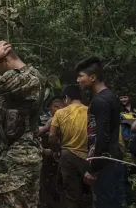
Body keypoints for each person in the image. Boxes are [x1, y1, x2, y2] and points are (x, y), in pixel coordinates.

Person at [0, 40, 46, 207]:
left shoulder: (26, 79)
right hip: (12, 154)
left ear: (5, 60)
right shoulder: (22, 80)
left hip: (20, 157)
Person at [75, 56, 125, 208]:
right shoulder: (110, 97)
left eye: (80, 76)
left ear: (93, 77)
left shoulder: (100, 101)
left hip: (105, 164)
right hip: (112, 160)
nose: (78, 80)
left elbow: (102, 137)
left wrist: (93, 169)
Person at [49, 85, 91, 208]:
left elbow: (51, 136)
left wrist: (56, 150)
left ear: (66, 98)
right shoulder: (90, 111)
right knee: (89, 192)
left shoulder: (60, 113)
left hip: (68, 156)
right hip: (88, 156)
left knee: (71, 194)